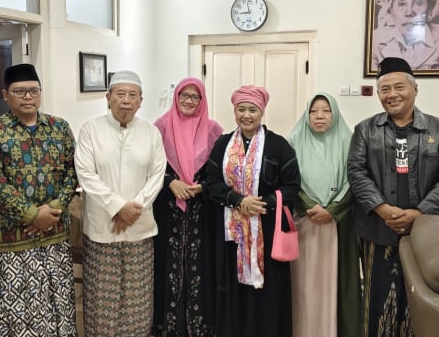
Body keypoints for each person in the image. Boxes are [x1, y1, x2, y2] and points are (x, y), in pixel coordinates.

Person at [347, 57, 439, 337]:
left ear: (415, 89)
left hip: (427, 233)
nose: (392, 94)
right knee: (377, 298)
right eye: (384, 89)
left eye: (399, 87)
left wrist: (419, 214)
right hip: (378, 229)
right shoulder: (366, 129)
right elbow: (356, 172)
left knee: (422, 300)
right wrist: (382, 208)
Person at [0, 64, 78, 336]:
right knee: (17, 314)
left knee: (58, 306)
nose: (28, 97)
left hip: (55, 232)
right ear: (5, 95)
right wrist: (32, 215)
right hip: (11, 239)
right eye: (20, 91)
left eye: (33, 90)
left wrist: (53, 209)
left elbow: (73, 172)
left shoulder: (60, 128)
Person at [75, 70, 166, 336]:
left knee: (136, 301)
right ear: (108, 97)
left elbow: (157, 175)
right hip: (102, 230)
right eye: (120, 94)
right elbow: (86, 174)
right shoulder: (90, 130)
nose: (126, 100)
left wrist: (134, 208)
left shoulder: (151, 133)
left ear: (141, 101)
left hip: (139, 229)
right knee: (101, 301)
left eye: (132, 95)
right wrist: (117, 207)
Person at [206, 85, 301, 337]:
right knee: (232, 288)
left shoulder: (279, 146)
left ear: (262, 112)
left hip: (267, 233)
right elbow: (212, 182)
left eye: (252, 110)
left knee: (268, 293)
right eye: (241, 110)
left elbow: (291, 186)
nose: (246, 115)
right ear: (234, 112)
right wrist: (238, 200)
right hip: (231, 235)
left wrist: (264, 203)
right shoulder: (222, 144)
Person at [152, 77, 223, 336]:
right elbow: (152, 167)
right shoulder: (159, 128)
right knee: (166, 264)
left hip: (201, 212)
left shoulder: (214, 130)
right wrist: (171, 183)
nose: (189, 101)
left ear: (202, 101)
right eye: (184, 95)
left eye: (195, 97)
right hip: (167, 210)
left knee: (201, 265)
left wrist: (202, 186)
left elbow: (219, 172)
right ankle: (167, 326)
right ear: (176, 97)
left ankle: (200, 326)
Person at [287, 93, 361, 337]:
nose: (319, 116)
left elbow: (356, 179)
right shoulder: (294, 141)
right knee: (304, 284)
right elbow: (288, 180)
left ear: (335, 114)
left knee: (336, 285)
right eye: (313, 111)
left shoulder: (349, 141)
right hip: (303, 223)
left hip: (339, 223)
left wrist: (331, 210)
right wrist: (309, 206)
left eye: (326, 110)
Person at [372, 0, 439, 71]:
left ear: (429, 9)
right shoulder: (375, 39)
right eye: (402, 4)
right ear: (390, 10)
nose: (409, 12)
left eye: (418, 3)